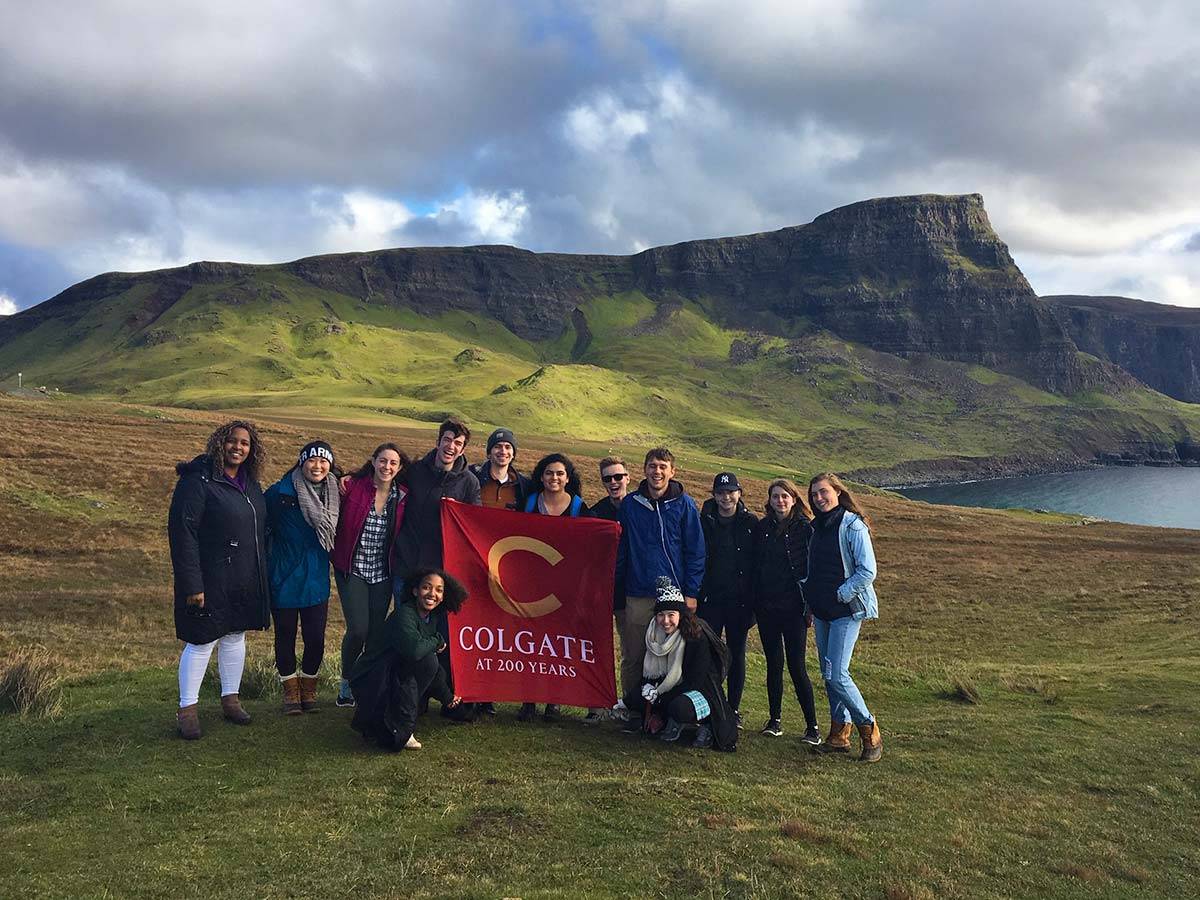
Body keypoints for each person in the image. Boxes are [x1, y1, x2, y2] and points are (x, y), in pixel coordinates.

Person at [168, 420, 270, 740]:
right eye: (232, 441)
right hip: (209, 576)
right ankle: (187, 709)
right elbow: (183, 533)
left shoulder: (250, 483)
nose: (238, 447)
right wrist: (192, 584)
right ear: (219, 442)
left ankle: (231, 699)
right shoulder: (197, 480)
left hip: (243, 576)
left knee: (235, 636)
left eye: (245, 443)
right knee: (202, 640)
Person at [389, 419, 481, 717]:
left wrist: (457, 511)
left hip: (443, 576)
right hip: (409, 568)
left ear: (463, 449)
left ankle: (440, 695)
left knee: (440, 637)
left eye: (458, 443)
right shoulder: (415, 471)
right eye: (447, 439)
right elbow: (384, 475)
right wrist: (350, 478)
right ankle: (408, 698)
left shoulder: (469, 482)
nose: (451, 446)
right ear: (438, 440)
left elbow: (475, 523)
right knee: (408, 636)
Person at [614, 448, 705, 703]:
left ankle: (664, 710)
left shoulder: (685, 505)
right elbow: (621, 550)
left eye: (663, 466)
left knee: (671, 656)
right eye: (652, 466)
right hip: (638, 591)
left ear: (672, 471)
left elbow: (695, 551)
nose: (657, 471)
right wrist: (616, 587)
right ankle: (632, 706)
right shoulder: (630, 505)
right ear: (644, 469)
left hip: (672, 595)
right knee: (634, 655)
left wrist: (691, 592)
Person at [804, 473, 882, 762]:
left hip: (845, 611)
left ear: (837, 492)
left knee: (837, 674)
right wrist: (810, 600)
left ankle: (869, 729)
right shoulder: (816, 527)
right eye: (814, 494)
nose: (819, 498)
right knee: (829, 675)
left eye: (823, 492)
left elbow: (867, 570)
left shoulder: (852, 525)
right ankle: (839, 734)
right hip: (822, 611)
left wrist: (841, 593)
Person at [349, 569, 466, 750]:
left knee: (429, 661)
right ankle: (399, 726)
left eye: (438, 590)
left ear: (443, 596)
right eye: (426, 587)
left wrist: (448, 698)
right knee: (426, 660)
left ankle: (397, 718)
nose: (432, 593)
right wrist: (437, 640)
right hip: (370, 676)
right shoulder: (404, 614)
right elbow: (414, 651)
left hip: (392, 672)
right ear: (415, 591)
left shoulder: (431, 617)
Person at [330, 443, 409, 707]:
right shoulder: (353, 487)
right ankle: (346, 684)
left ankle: (366, 686)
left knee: (375, 635)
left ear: (399, 468)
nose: (387, 467)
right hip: (352, 568)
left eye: (393, 463)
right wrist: (340, 476)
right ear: (373, 461)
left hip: (382, 572)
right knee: (358, 630)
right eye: (383, 461)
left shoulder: (403, 496)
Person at [264, 441, 340, 714]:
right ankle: (290, 693)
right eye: (312, 460)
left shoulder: (335, 493)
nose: (317, 466)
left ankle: (309, 689)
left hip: (316, 578)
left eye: (323, 461)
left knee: (315, 638)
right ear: (301, 462)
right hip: (283, 576)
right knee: (285, 636)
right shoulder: (279, 493)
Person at [623, 577, 737, 750]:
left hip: (699, 689)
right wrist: (645, 692)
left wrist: (659, 698)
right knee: (635, 698)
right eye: (661, 615)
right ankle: (665, 719)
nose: (665, 621)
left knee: (679, 707)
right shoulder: (654, 633)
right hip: (667, 687)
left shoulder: (697, 637)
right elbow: (651, 672)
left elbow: (695, 681)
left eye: (671, 615)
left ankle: (705, 724)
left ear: (681, 615)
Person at [517, 453, 589, 722]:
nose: (554, 478)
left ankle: (553, 700)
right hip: (531, 583)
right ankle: (528, 700)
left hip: (564, 585)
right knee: (529, 641)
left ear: (568, 478)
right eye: (549, 473)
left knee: (557, 643)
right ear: (541, 476)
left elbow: (591, 541)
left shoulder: (579, 507)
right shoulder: (530, 503)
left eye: (560, 473)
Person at [754, 478, 820, 743]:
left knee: (797, 666)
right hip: (766, 608)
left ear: (794, 499)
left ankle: (812, 727)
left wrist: (810, 606)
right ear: (769, 500)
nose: (780, 501)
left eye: (785, 496)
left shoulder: (806, 528)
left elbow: (813, 568)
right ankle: (775, 720)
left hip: (794, 609)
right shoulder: (762, 528)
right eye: (775, 496)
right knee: (773, 664)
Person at [697, 472, 757, 730]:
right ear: (714, 495)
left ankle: (733, 709)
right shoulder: (704, 520)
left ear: (739, 493)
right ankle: (711, 705)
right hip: (710, 600)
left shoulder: (750, 522)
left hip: (739, 602)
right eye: (721, 492)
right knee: (709, 654)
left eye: (731, 492)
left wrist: (753, 602)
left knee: (736, 654)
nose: (726, 497)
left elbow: (757, 564)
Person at [588, 456, 630, 722]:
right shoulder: (596, 512)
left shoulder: (639, 507)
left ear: (628, 478)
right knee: (597, 649)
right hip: (601, 591)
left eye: (618, 477)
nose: (613, 482)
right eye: (607, 478)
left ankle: (629, 704)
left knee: (631, 651)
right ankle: (597, 705)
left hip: (630, 590)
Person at [470, 427, 532, 511]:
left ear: (513, 454)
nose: (503, 451)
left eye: (508, 447)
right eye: (497, 447)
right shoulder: (472, 477)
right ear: (489, 454)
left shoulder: (523, 486)